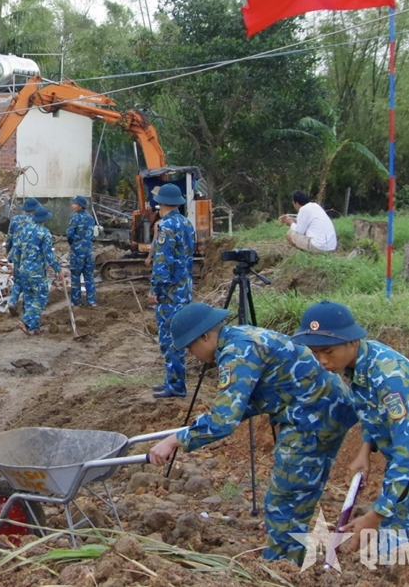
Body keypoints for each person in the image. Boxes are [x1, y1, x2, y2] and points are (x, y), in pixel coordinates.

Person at [148, 302, 357, 562]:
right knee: (297, 492)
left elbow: (224, 421)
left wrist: (175, 440)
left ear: (205, 336)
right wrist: (197, 427)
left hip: (312, 417)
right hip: (322, 409)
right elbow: (249, 401)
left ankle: (282, 564)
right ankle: (292, 548)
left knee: (285, 498)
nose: (192, 354)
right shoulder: (240, 337)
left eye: (191, 347)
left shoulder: (237, 352)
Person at [292, 301, 409, 550]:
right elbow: (373, 412)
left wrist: (375, 516)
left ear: (351, 342)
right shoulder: (360, 365)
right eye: (315, 353)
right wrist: (364, 451)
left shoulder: (390, 379)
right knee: (391, 535)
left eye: (328, 351)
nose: (321, 360)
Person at [146, 184, 195, 399]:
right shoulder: (186, 223)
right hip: (184, 288)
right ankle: (171, 380)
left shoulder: (166, 226)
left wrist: (155, 288)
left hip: (169, 292)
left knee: (169, 338)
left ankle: (176, 386)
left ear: (162, 202)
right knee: (175, 336)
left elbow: (162, 262)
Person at [13, 205, 65, 336]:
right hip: (36, 271)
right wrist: (58, 269)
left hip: (23, 269)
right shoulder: (44, 233)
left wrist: (17, 267)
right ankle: (25, 321)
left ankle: (34, 328)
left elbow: (17, 250)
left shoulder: (24, 230)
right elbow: (49, 254)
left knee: (30, 298)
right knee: (41, 297)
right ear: (45, 220)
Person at [5, 197, 39, 315]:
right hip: (30, 256)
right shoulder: (36, 221)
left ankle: (13, 301)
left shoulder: (15, 220)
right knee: (28, 281)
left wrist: (8, 252)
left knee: (18, 280)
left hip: (16, 254)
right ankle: (26, 310)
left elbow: (9, 239)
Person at [66, 195, 97, 308]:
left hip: (77, 252)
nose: (73, 205)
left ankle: (76, 301)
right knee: (89, 276)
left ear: (80, 206)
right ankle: (92, 301)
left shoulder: (75, 218)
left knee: (75, 277)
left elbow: (69, 235)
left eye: (75, 204)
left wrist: (73, 244)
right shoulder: (90, 218)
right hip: (88, 251)